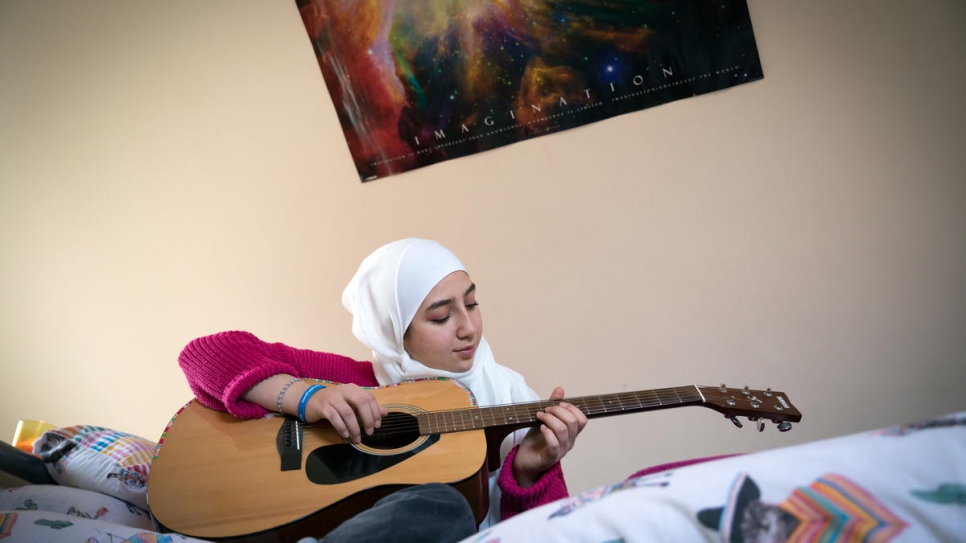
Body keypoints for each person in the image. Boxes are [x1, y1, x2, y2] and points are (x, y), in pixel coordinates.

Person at [178, 238, 588, 541]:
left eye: (473, 304)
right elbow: (205, 353)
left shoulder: (514, 397)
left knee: (444, 510)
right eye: (442, 316)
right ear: (393, 330)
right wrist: (308, 397)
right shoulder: (358, 382)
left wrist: (528, 471)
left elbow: (550, 531)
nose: (469, 328)